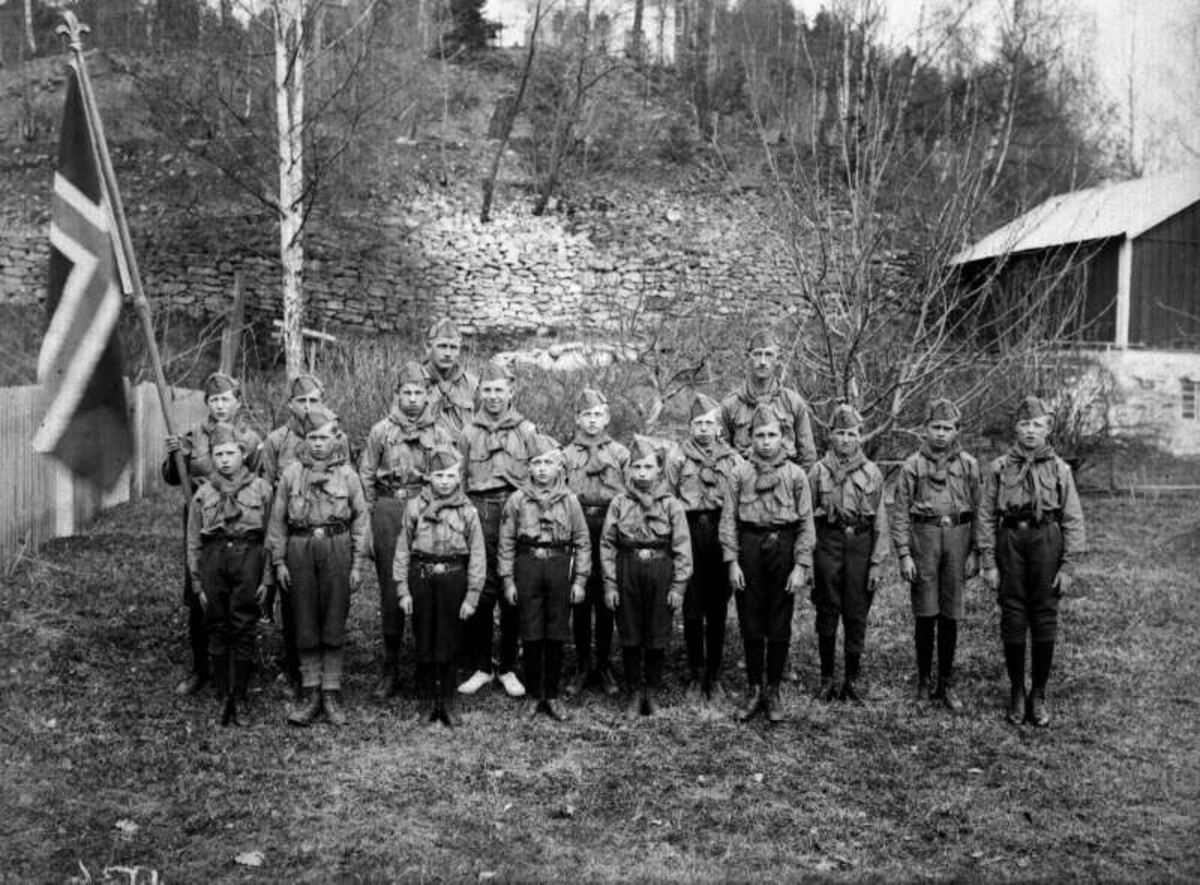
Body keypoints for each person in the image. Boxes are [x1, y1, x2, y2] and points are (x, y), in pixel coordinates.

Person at [978, 396, 1086, 728]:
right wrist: (988, 561)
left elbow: (1073, 518)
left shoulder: (1059, 468)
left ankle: (1038, 693)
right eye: (1024, 425)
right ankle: (1016, 691)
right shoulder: (999, 468)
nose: (1030, 431)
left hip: (1046, 541)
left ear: (1048, 428)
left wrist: (1068, 565)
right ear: (1016, 428)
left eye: (1037, 425)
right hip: (1010, 540)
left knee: (1043, 615)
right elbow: (984, 515)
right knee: (1012, 614)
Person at [266, 405, 370, 727]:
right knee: (305, 618)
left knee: (334, 618)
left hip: (337, 548)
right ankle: (310, 691)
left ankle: (331, 691)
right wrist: (279, 562)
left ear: (336, 438)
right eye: (313, 437)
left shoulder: (348, 476)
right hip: (299, 549)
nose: (318, 444)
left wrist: (357, 564)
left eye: (325, 437)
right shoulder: (291, 474)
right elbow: (278, 522)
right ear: (304, 438)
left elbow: (361, 521)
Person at [163, 371, 262, 697]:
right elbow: (173, 478)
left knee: (239, 595)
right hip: (204, 525)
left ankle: (238, 664)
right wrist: (174, 455)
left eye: (226, 399)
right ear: (207, 403)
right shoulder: (192, 436)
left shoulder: (250, 439)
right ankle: (200, 669)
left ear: (237, 401)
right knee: (200, 595)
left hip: (241, 528)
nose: (220, 405)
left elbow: (261, 481)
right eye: (214, 400)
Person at [358, 361, 451, 701]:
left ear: (428, 396)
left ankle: (425, 667)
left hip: (425, 509)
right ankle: (391, 667)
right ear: (396, 394)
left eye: (419, 393)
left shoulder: (439, 434)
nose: (413, 399)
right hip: (388, 509)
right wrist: (368, 520)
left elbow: (450, 477)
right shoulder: (381, 431)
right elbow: (366, 476)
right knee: (390, 588)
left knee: (425, 584)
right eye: (406, 392)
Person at [719, 405, 815, 722]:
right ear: (750, 438)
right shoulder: (739, 473)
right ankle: (754, 688)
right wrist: (732, 562)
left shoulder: (796, 475)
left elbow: (806, 524)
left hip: (783, 547)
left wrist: (801, 565)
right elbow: (728, 521)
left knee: (779, 617)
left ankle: (773, 688)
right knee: (750, 617)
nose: (766, 441)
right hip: (749, 545)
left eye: (772, 434)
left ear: (783, 437)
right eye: (759, 435)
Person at [890, 398, 981, 712]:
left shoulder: (968, 465)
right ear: (924, 429)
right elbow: (900, 512)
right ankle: (924, 682)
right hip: (924, 538)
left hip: (958, 537)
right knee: (926, 612)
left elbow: (980, 510)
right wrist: (904, 553)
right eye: (936, 427)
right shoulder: (912, 466)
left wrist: (976, 553)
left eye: (948, 428)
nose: (941, 434)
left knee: (950, 612)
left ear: (956, 431)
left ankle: (946, 682)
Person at [457, 361, 538, 698]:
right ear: (480, 393)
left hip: (516, 510)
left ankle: (507, 667)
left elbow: (539, 476)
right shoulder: (468, 433)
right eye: (487, 390)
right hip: (479, 511)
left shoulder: (527, 431)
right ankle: (481, 666)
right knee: (481, 585)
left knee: (511, 587)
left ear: (511, 391)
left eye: (499, 389)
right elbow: (457, 481)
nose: (493, 396)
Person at [185, 423, 274, 726]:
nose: (224, 459)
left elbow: (272, 536)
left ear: (243, 453)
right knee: (217, 625)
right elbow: (194, 541)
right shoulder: (203, 493)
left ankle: (242, 696)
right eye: (218, 454)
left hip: (250, 557)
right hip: (214, 559)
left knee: (244, 624)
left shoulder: (261, 489)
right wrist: (197, 583)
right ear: (211, 457)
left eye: (230, 453)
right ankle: (223, 695)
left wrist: (267, 578)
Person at [499, 435, 591, 721]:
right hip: (527, 564)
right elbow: (506, 543)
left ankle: (552, 695)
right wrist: (508, 580)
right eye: (536, 462)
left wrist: (579, 580)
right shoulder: (517, 499)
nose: (541, 468)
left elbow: (583, 542)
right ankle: (533, 694)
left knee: (556, 631)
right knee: (531, 630)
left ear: (559, 467)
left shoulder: (570, 501)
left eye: (548, 462)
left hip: (559, 565)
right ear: (528, 467)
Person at [394, 445, 486, 728]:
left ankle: (447, 701)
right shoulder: (415, 507)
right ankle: (425, 702)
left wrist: (472, 595)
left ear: (458, 477)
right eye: (439, 476)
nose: (444, 481)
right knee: (424, 638)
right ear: (429, 477)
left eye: (450, 475)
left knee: (449, 639)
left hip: (454, 577)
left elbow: (478, 554)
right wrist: (402, 589)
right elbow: (402, 550)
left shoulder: (467, 510)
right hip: (421, 576)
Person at [601, 437, 692, 719]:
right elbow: (607, 544)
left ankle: (651, 691)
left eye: (648, 467)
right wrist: (610, 583)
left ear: (658, 470)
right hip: (627, 567)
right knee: (629, 632)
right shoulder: (619, 502)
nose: (641, 472)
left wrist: (678, 585)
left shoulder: (671, 504)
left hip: (660, 568)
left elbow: (682, 547)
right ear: (629, 470)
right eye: (636, 466)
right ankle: (633, 692)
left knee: (657, 632)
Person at [808, 403, 889, 703]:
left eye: (851, 433)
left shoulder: (872, 472)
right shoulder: (817, 471)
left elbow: (880, 520)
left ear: (860, 436)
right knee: (827, 609)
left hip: (860, 545)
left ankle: (851, 680)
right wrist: (808, 560)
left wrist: (877, 563)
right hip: (827, 543)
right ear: (830, 435)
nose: (845, 439)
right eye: (840, 433)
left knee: (856, 612)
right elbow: (807, 519)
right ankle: (827, 678)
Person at [667, 392, 744, 703]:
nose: (703, 428)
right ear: (689, 427)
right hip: (688, 534)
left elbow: (739, 505)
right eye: (697, 423)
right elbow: (669, 501)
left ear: (718, 427)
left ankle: (715, 673)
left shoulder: (734, 460)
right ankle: (696, 673)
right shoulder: (677, 459)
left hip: (720, 533)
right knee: (692, 607)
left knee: (717, 607)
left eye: (708, 422)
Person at [258, 373, 328, 698]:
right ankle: (292, 663)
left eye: (314, 400)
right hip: (288, 525)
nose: (308, 406)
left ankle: (322, 664)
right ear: (290, 404)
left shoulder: (333, 436)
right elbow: (267, 488)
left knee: (321, 600)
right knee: (290, 599)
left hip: (324, 530)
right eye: (302, 401)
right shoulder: (276, 441)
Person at [561, 388, 629, 699]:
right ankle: (582, 664)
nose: (592, 420)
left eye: (598, 414)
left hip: (610, 524)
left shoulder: (621, 454)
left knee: (606, 593)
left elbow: (631, 495)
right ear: (577, 417)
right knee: (580, 594)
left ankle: (603, 664)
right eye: (586, 414)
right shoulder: (565, 455)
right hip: (578, 523)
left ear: (608, 417)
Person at [720, 329, 817, 468]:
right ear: (748, 357)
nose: (763, 361)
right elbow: (721, 453)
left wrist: (792, 484)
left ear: (778, 358)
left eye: (769, 355)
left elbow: (807, 457)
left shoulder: (794, 403)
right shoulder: (730, 405)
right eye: (757, 354)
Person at [422, 318, 479, 435]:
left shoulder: (471, 385)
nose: (448, 353)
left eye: (453, 347)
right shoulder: (414, 383)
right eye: (442, 346)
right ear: (428, 347)